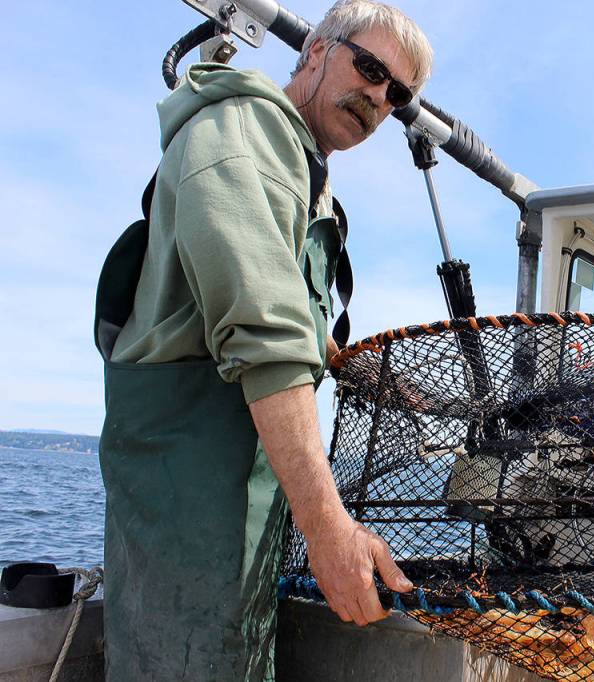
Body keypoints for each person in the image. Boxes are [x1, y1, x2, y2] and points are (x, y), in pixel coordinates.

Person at [93, 2, 432, 679]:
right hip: (186, 511)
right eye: (369, 68)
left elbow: (280, 312)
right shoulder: (240, 135)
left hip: (242, 515)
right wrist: (328, 529)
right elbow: (265, 336)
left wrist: (355, 371)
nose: (377, 97)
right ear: (313, 51)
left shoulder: (303, 174)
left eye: (396, 94)